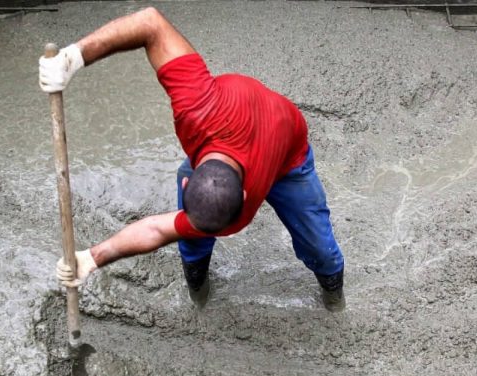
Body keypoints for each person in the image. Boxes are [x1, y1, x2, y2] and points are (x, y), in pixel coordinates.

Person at [39, 7, 345, 310]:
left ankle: (334, 297)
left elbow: (159, 230)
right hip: (240, 120)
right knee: (195, 237)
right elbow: (149, 23)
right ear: (189, 178)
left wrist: (95, 256)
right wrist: (74, 57)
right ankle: (198, 289)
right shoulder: (197, 103)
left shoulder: (237, 214)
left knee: (320, 248)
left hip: (290, 158)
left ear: (187, 181)